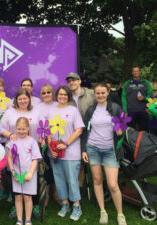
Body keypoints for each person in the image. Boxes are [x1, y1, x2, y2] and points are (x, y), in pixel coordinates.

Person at [82, 83, 127, 225]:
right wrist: (84, 149)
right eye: (97, 93)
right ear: (94, 94)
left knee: (113, 184)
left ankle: (120, 214)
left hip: (110, 151)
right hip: (93, 149)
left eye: (103, 93)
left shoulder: (115, 108)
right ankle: (103, 211)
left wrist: (119, 132)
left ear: (108, 92)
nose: (100, 95)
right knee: (97, 180)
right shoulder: (90, 110)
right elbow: (85, 131)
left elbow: (122, 131)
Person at [0, 88, 42, 219]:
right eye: (20, 99)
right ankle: (16, 205)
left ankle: (33, 204)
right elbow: (1, 128)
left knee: (32, 179)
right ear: (16, 100)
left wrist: (42, 136)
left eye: (25, 98)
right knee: (15, 179)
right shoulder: (9, 112)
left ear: (29, 99)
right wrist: (11, 134)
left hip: (32, 150)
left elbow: (42, 126)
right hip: (14, 150)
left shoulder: (36, 110)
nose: (23, 101)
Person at [47, 86, 84, 221]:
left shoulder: (73, 111)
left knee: (72, 180)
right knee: (59, 179)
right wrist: (51, 149)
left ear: (68, 97)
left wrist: (66, 143)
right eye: (60, 94)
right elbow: (48, 132)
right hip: (55, 153)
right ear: (57, 96)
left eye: (65, 95)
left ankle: (76, 206)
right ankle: (65, 204)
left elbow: (79, 130)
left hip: (70, 151)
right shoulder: (51, 111)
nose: (62, 97)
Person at [7, 117, 42, 225]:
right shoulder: (13, 141)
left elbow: (35, 158)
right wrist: (12, 171)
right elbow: (9, 157)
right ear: (15, 129)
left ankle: (27, 219)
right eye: (18, 129)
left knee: (27, 197)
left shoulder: (32, 142)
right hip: (16, 174)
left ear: (28, 128)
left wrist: (31, 173)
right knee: (17, 197)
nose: (21, 131)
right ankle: (19, 219)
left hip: (29, 175)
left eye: (23, 129)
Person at [66, 72, 95, 194]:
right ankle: (79, 188)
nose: (71, 83)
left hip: (92, 132)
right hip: (76, 133)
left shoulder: (91, 93)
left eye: (74, 80)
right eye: (69, 81)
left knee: (94, 160)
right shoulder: (67, 97)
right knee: (80, 162)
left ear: (79, 81)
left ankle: (98, 185)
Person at [35, 84, 59, 206]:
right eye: (43, 93)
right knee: (47, 169)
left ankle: (57, 193)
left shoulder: (57, 105)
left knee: (57, 168)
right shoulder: (37, 108)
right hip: (44, 143)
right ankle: (47, 194)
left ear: (52, 93)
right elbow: (37, 126)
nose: (46, 95)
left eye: (48, 92)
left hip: (57, 142)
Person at [122, 66, 153, 131]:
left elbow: (150, 95)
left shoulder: (145, 82)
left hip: (143, 111)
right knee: (130, 132)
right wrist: (125, 110)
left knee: (143, 132)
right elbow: (123, 98)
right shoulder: (127, 83)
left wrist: (144, 98)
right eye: (134, 71)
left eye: (137, 71)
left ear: (140, 72)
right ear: (132, 72)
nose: (136, 72)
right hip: (130, 111)